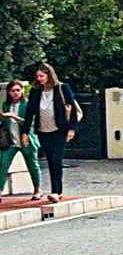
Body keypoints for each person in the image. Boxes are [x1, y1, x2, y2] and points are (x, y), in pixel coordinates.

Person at [19, 66, 80, 204]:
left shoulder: (62, 88)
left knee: (56, 159)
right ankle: (56, 190)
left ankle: (56, 191)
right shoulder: (36, 92)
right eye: (38, 76)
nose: (39, 79)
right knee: (50, 158)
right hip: (43, 130)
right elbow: (30, 113)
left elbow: (73, 109)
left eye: (42, 76)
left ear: (49, 76)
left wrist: (72, 129)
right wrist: (25, 132)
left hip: (59, 130)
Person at [2, 79, 42, 202]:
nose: (16, 93)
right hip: (11, 141)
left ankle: (37, 189)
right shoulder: (6, 105)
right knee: (3, 163)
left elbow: (30, 123)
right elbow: (4, 122)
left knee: (32, 164)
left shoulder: (27, 104)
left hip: (26, 139)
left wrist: (14, 116)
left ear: (22, 91)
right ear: (8, 92)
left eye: (18, 90)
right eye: (13, 91)